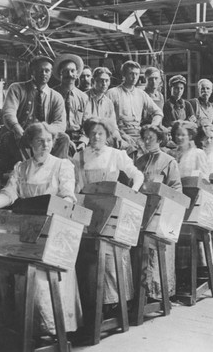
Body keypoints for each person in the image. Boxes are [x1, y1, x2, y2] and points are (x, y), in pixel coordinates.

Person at [0, 122, 81, 336]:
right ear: (30, 144)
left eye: (48, 140)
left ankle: (54, 330)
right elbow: (9, 193)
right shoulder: (21, 167)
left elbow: (68, 195)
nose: (45, 144)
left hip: (55, 231)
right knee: (26, 278)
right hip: (27, 232)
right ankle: (31, 328)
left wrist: (58, 207)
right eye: (39, 140)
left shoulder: (63, 166)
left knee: (46, 282)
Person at [73, 118, 144, 306]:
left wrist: (131, 194)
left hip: (112, 209)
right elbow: (75, 186)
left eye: (101, 133)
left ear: (107, 136)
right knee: (88, 253)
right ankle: (92, 302)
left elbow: (137, 174)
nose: (96, 137)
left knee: (112, 251)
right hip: (88, 210)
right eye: (93, 133)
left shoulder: (116, 154)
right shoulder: (79, 156)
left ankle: (116, 301)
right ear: (87, 135)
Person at [134, 125, 181, 299]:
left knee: (156, 251)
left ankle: (158, 294)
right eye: (144, 138)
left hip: (162, 212)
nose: (146, 142)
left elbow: (176, 189)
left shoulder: (169, 161)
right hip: (142, 211)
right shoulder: (139, 161)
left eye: (151, 138)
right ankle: (141, 294)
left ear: (160, 140)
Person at [1, 56, 69, 168]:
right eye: (40, 70)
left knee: (64, 138)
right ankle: (21, 172)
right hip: (22, 133)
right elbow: (8, 113)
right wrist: (17, 128)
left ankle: (54, 171)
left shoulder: (56, 97)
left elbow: (60, 123)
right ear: (32, 71)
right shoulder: (16, 89)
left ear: (51, 73)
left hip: (45, 136)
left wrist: (45, 133)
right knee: (9, 138)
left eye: (47, 70)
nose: (43, 73)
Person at [106, 60, 163, 148]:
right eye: (131, 73)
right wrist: (121, 135)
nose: (134, 77)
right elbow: (107, 119)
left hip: (138, 133)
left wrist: (152, 127)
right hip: (119, 133)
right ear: (124, 75)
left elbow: (158, 112)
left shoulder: (141, 94)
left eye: (136, 74)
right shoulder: (112, 93)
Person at [53, 54, 89, 154]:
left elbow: (87, 124)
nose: (69, 74)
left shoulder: (83, 97)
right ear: (60, 74)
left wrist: (83, 142)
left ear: (77, 74)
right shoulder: (53, 95)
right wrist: (64, 139)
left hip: (79, 139)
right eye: (65, 71)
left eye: (72, 71)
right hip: (58, 138)